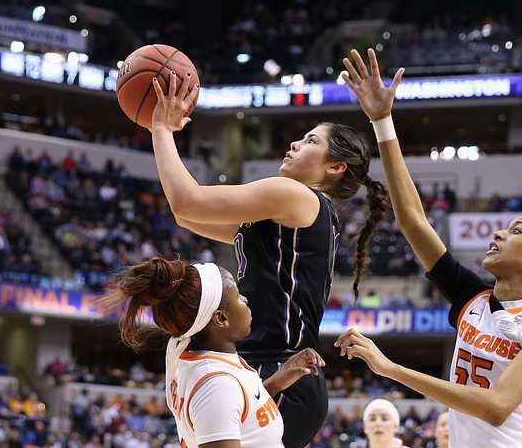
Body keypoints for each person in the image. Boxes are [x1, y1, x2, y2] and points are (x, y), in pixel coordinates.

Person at [335, 48, 522, 448]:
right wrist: (382, 123)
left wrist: (390, 367)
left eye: (515, 231)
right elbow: (412, 220)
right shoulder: (474, 298)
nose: (498, 234)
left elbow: (497, 406)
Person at [147, 70, 389, 447]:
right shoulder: (286, 217)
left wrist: (161, 130)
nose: (293, 143)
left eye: (310, 140)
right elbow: (186, 215)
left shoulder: (295, 196)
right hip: (269, 367)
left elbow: (186, 200)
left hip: (280, 365)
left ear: (335, 166)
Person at [104, 258, 325, 448]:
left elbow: (237, 415)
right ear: (221, 318)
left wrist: (276, 383)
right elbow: (221, 401)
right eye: (238, 296)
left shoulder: (210, 359)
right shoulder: (217, 385)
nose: (246, 300)